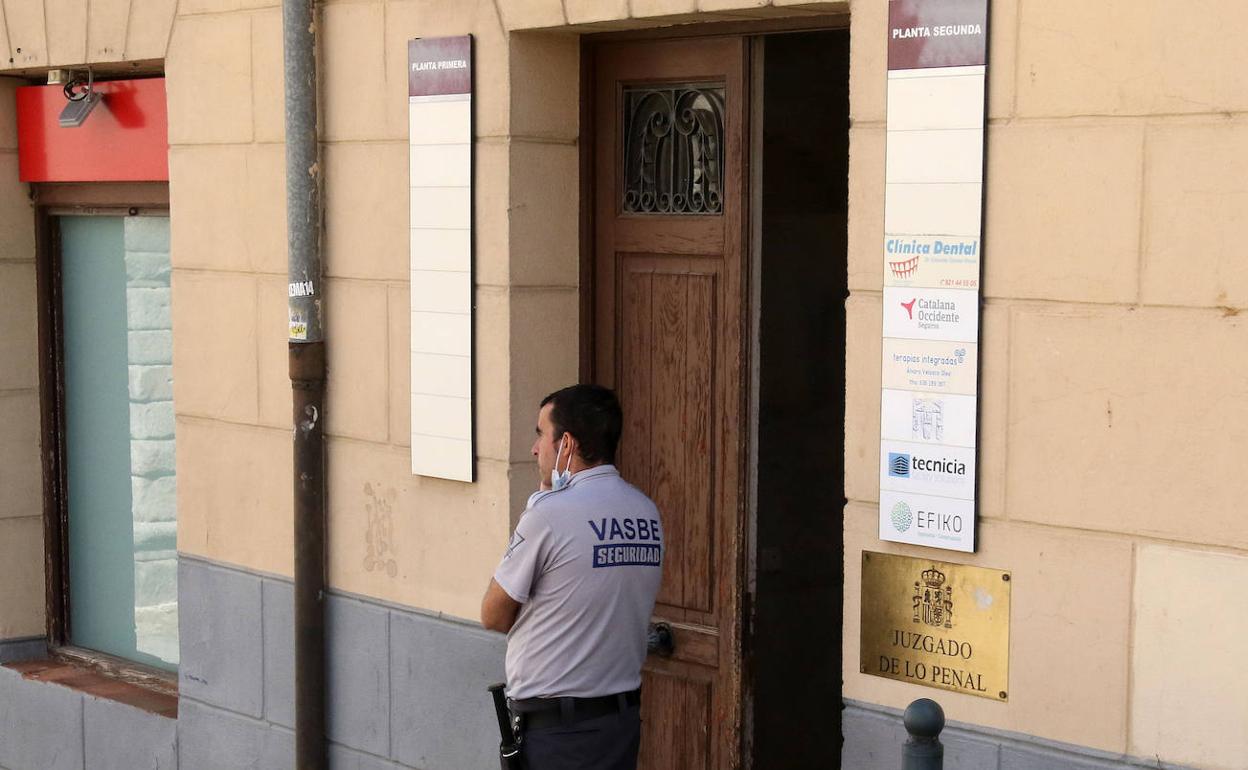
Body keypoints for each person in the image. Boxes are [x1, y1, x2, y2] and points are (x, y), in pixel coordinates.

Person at [481, 384, 664, 770]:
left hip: (559, 735)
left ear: (566, 443)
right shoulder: (646, 512)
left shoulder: (548, 515)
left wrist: (540, 504)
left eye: (539, 434)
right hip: (618, 723)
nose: (534, 449)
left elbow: (493, 615)